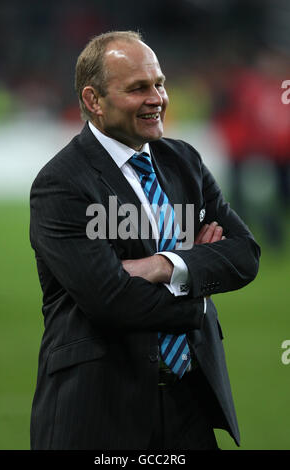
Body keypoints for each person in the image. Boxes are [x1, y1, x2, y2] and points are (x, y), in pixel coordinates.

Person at [29, 30, 260, 450]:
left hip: (189, 401)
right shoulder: (61, 183)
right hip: (100, 407)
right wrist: (199, 291)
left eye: (159, 83)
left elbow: (245, 254)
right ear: (93, 100)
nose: (157, 98)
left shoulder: (183, 161)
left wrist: (166, 266)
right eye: (138, 88)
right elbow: (111, 301)